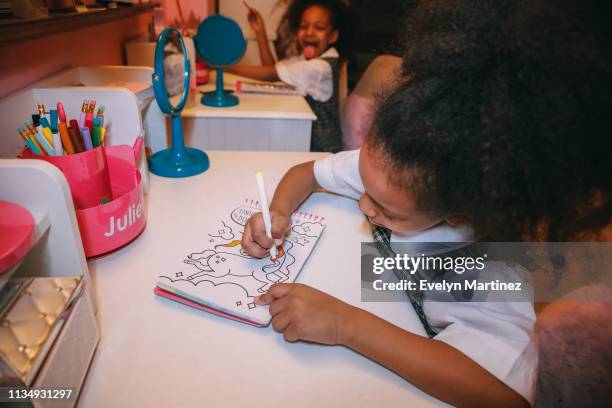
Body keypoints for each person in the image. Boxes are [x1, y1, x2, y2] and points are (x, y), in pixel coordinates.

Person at [241, 0, 611, 406]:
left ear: (457, 211)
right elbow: (307, 173)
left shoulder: (482, 265)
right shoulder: (393, 165)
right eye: (364, 186)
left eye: (387, 211)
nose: (365, 206)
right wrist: (278, 210)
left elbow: (505, 399)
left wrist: (345, 324)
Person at [230, 0, 351, 152]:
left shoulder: (321, 67)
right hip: (305, 138)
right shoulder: (305, 60)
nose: (309, 32)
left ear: (332, 36)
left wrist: (223, 66)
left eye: (319, 28)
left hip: (323, 150)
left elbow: (271, 74)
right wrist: (260, 32)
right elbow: (274, 68)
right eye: (304, 26)